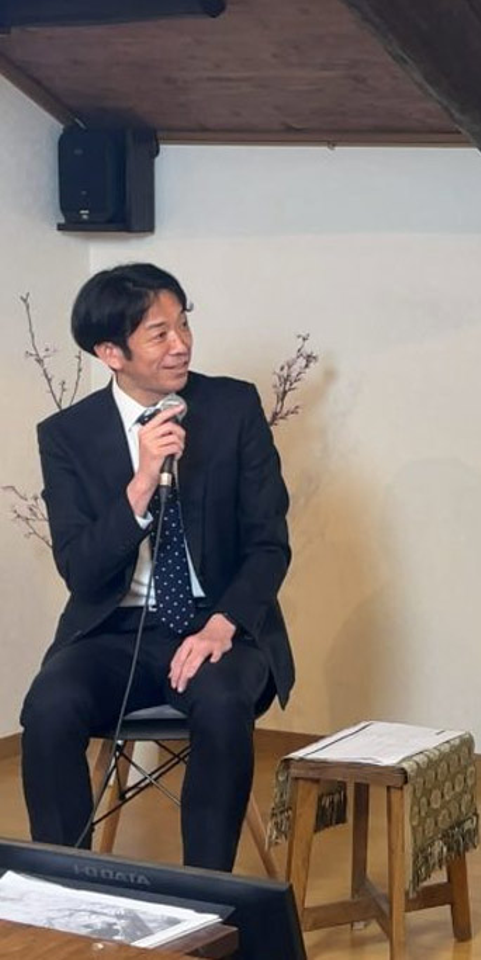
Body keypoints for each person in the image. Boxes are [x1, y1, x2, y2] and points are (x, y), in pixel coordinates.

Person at [20, 263, 293, 872]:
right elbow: (81, 570)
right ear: (110, 352)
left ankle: (204, 895)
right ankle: (66, 893)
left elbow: (269, 543)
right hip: (112, 631)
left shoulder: (232, 407)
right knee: (49, 706)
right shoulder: (67, 435)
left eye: (184, 325)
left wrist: (222, 624)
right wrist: (142, 482)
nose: (181, 345)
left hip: (214, 626)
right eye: (159, 333)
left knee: (223, 703)